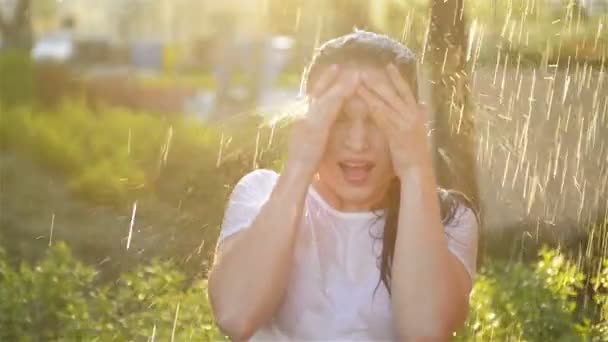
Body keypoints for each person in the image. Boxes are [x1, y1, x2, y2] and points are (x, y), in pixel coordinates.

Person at [208, 30, 480, 341]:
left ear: (411, 124)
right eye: (338, 117)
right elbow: (235, 315)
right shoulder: (261, 194)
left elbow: (425, 331)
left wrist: (416, 166)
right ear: (310, 117)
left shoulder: (448, 217)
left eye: (379, 120)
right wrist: (298, 166)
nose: (357, 141)